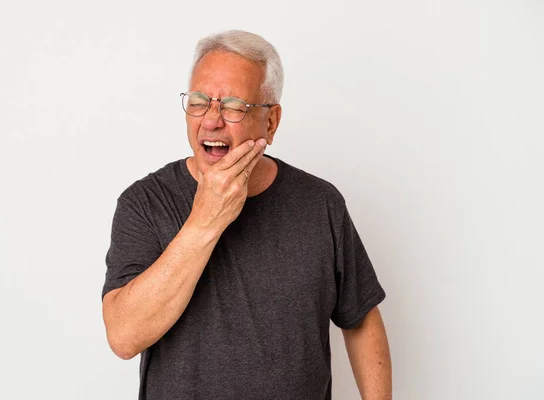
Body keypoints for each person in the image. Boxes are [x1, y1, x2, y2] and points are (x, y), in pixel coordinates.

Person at [101, 30, 392, 400]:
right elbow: (124, 337)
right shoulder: (145, 202)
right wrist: (206, 219)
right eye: (199, 101)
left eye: (234, 106)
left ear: (271, 122)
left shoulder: (320, 204)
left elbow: (361, 318)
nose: (211, 120)